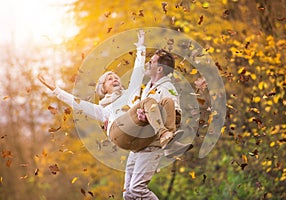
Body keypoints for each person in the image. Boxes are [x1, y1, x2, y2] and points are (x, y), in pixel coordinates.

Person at [38, 30, 182, 152]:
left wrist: (140, 47)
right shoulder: (103, 109)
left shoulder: (131, 95)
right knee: (148, 102)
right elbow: (78, 104)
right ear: (103, 88)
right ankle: (163, 134)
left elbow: (138, 72)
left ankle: (169, 141)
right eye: (109, 79)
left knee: (166, 101)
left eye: (116, 78)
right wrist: (56, 90)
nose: (115, 79)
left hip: (135, 135)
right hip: (118, 132)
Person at [122, 49, 193, 200]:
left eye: (151, 62)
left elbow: (175, 115)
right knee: (127, 193)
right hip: (138, 144)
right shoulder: (148, 87)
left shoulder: (167, 88)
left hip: (152, 144)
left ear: (160, 69)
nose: (148, 64)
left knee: (136, 189)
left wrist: (150, 117)